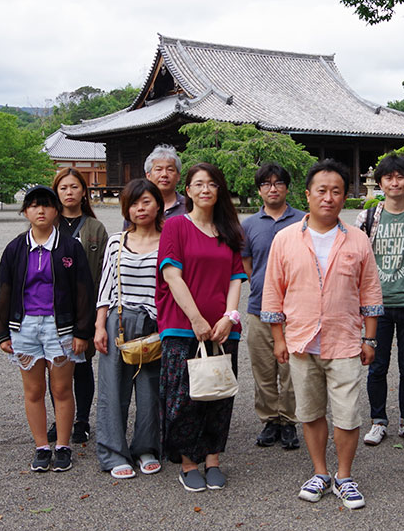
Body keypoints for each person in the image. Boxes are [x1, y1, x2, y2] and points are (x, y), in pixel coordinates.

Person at [262, 159, 383, 510]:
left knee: (347, 414)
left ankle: (344, 476)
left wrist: (369, 339)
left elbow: (370, 292)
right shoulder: (285, 239)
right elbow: (274, 291)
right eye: (321, 191)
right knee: (311, 412)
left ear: (345, 197)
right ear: (308, 194)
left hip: (344, 340)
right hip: (301, 340)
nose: (328, 198)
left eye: (336, 191)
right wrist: (279, 338)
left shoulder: (358, 239)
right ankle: (320, 472)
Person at [0, 186, 95, 473]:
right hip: (24, 326)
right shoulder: (15, 248)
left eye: (47, 205)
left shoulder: (70, 247)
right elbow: (3, 290)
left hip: (60, 326)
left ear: (56, 211)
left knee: (61, 389)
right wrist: (1, 333)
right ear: (25, 212)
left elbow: (85, 290)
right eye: (34, 206)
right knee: (33, 390)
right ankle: (41, 447)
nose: (40, 211)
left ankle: (62, 446)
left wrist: (83, 332)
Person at [156, 163, 247, 492]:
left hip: (224, 330)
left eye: (211, 184)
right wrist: (196, 318)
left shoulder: (229, 231)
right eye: (198, 184)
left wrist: (229, 316)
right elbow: (171, 274)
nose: (205, 189)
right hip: (182, 327)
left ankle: (212, 458)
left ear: (219, 190)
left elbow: (237, 278)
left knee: (219, 394)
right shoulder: (176, 226)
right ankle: (188, 462)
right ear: (188, 191)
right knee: (185, 398)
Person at [355, 153, 404, 448]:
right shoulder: (367, 217)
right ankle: (378, 421)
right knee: (376, 365)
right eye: (388, 177)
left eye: (400, 176)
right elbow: (360, 262)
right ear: (380, 183)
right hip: (378, 307)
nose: (395, 182)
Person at [94, 179, 164, 478]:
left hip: (154, 323)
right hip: (117, 320)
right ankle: (113, 452)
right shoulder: (116, 241)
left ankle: (146, 447)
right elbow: (106, 286)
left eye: (146, 201)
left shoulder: (169, 240)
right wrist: (99, 326)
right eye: (134, 203)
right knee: (113, 389)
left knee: (150, 390)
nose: (140, 208)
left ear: (158, 204)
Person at [241, 163, 305, 450]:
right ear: (259, 190)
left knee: (291, 370)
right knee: (263, 368)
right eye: (266, 184)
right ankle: (269, 420)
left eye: (278, 182)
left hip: (296, 310)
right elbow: (248, 265)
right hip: (259, 307)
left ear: (287, 187)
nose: (273, 188)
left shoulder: (303, 221)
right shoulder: (249, 224)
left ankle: (289, 420)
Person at [48, 168, 109, 444]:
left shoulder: (95, 228)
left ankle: (81, 419)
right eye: (63, 188)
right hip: (50, 308)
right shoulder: (46, 223)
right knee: (55, 365)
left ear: (84, 192)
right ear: (56, 192)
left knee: (82, 365)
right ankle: (60, 417)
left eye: (74, 187)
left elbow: (107, 272)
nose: (69, 192)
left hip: (86, 308)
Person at [145, 144, 187, 219]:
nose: (164, 174)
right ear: (148, 175)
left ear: (178, 176)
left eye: (170, 170)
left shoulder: (190, 206)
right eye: (158, 169)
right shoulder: (139, 208)